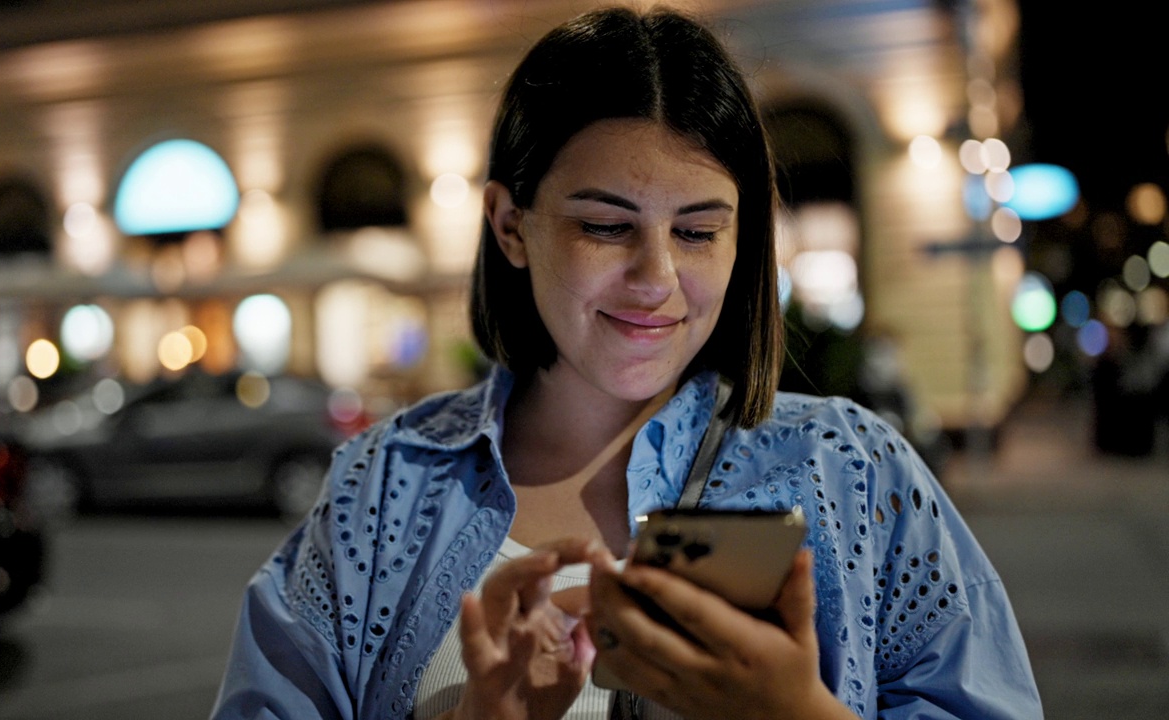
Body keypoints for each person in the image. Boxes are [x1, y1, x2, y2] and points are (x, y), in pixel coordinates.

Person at [211, 6, 1042, 719]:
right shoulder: (382, 488)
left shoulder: (856, 474)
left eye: (697, 230)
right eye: (605, 227)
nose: (656, 281)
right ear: (509, 226)